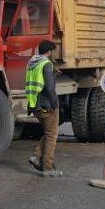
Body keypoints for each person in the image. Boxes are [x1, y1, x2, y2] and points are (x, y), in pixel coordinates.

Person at [26, 40, 62, 177]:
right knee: (52, 135)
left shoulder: (32, 63)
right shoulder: (46, 64)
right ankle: (47, 167)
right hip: (46, 105)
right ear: (49, 52)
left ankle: (36, 156)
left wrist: (55, 74)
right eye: (53, 51)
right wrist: (56, 104)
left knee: (49, 132)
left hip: (34, 103)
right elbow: (49, 88)